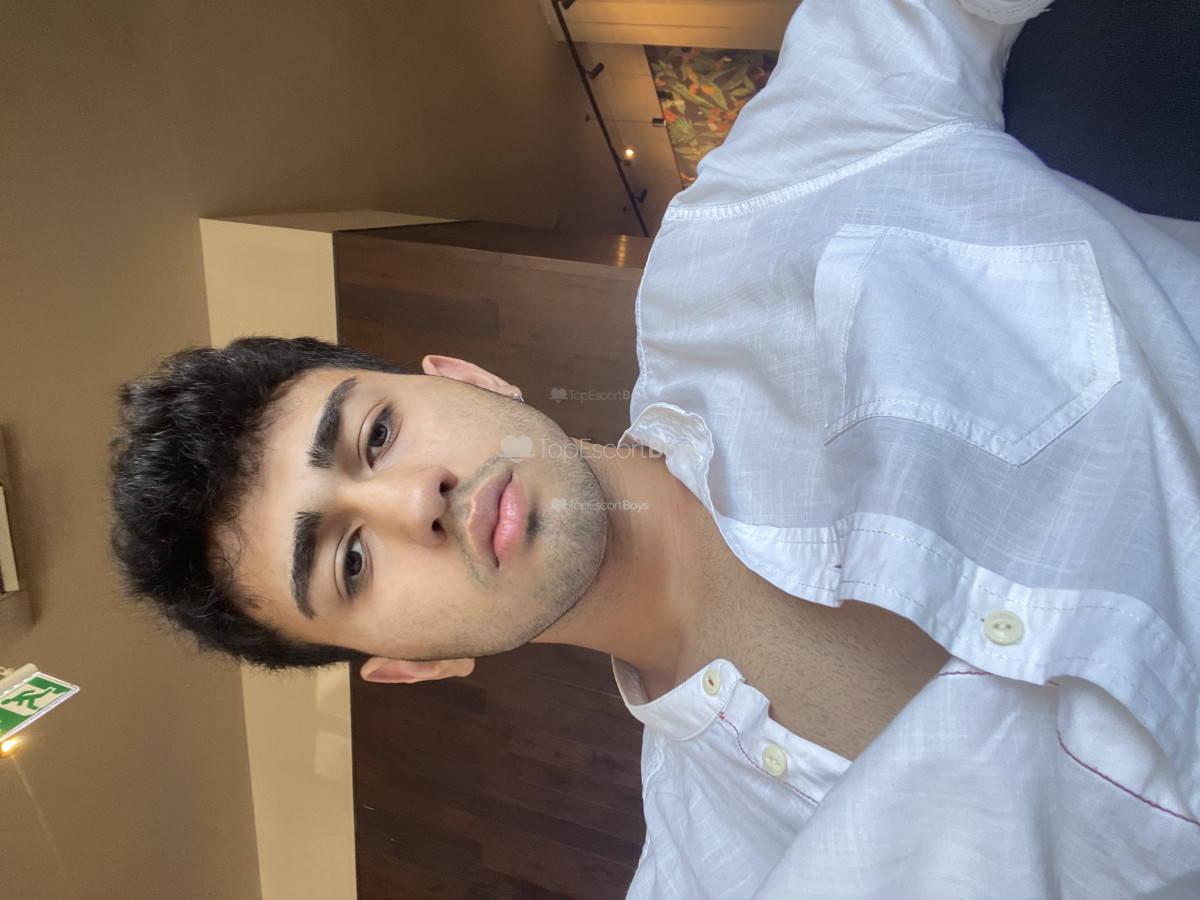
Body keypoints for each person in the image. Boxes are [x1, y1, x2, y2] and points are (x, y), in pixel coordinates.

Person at [110, 0, 1200, 896]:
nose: (414, 502)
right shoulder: (716, 873)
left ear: (467, 378)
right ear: (412, 666)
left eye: (376, 434)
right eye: (350, 561)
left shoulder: (746, 230)